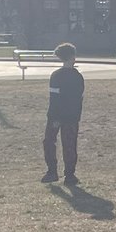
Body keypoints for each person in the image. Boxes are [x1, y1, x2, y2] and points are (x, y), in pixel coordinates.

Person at [41, 42, 84, 186]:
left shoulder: (56, 76)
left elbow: (55, 99)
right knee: (70, 144)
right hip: (71, 116)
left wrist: (55, 117)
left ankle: (52, 171)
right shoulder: (78, 77)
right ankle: (70, 174)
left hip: (56, 115)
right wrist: (75, 116)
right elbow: (78, 99)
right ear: (73, 56)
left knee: (49, 142)